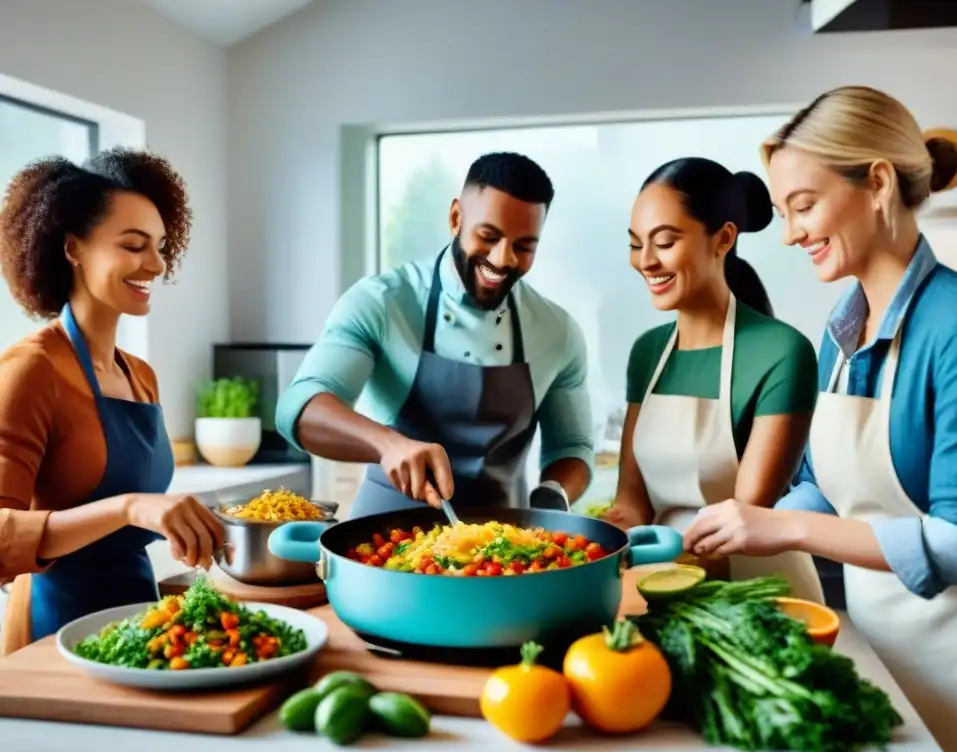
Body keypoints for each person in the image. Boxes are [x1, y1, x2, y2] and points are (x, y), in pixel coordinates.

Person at [683, 86, 957, 752]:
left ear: (876, 183)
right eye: (783, 213)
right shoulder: (841, 333)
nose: (790, 233)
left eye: (803, 206)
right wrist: (730, 527)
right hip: (891, 662)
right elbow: (822, 489)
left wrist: (781, 526)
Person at [276, 152, 593, 516]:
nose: (504, 259)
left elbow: (572, 445)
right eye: (488, 236)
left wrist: (552, 495)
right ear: (456, 217)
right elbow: (297, 409)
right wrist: (388, 444)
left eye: (524, 247)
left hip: (502, 554)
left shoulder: (558, 331)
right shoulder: (382, 302)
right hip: (382, 541)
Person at [0, 149, 225, 656]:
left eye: (162, 246)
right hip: (51, 631)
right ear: (73, 248)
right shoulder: (30, 370)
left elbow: (140, 513)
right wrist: (128, 508)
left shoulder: (140, 376)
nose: (157, 264)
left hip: (138, 623)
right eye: (133, 245)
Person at [602, 157, 823, 602]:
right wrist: (584, 543)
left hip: (754, 594)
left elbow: (743, 519)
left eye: (664, 242)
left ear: (722, 238)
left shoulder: (782, 352)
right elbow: (632, 505)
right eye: (635, 244)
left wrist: (644, 568)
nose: (646, 261)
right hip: (661, 585)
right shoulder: (648, 353)